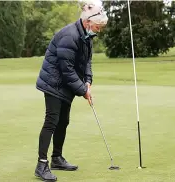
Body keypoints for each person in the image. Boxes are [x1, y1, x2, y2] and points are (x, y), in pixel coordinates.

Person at [34, 0, 108, 181]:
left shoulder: (87, 36)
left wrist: (88, 81)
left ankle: (56, 158)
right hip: (53, 82)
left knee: (63, 121)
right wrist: (83, 90)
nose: (99, 30)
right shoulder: (70, 35)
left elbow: (87, 61)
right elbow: (66, 70)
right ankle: (41, 165)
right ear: (88, 22)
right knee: (52, 121)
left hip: (65, 85)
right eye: (98, 26)